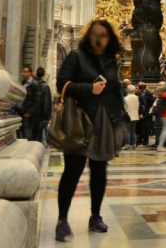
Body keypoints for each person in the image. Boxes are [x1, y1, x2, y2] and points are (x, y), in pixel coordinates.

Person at [54, 19, 127, 241]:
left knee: (99, 171)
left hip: (105, 121)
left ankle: (95, 216)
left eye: (104, 35)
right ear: (89, 36)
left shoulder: (111, 61)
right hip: (81, 120)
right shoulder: (76, 56)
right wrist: (89, 89)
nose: (99, 39)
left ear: (109, 38)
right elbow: (62, 84)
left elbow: (115, 92)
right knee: (72, 171)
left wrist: (119, 119)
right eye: (96, 34)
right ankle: (62, 220)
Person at [19, 66, 42, 141]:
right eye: (22, 72)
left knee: (28, 133)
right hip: (22, 111)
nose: (23, 73)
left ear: (30, 73)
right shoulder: (23, 83)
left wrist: (30, 112)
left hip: (29, 114)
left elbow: (37, 101)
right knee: (23, 132)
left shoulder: (35, 84)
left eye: (25, 72)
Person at [35, 67, 53, 143]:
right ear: (44, 74)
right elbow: (47, 102)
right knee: (39, 136)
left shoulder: (32, 84)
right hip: (41, 115)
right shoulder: (46, 86)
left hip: (32, 115)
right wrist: (48, 116)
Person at [137, 83, 154, 148]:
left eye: (138, 87)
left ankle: (145, 141)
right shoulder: (142, 94)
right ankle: (142, 141)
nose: (137, 89)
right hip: (144, 113)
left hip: (146, 113)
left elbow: (145, 105)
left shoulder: (146, 94)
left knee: (146, 128)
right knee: (142, 128)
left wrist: (143, 114)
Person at [124, 85, 140, 150]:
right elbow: (138, 106)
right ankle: (134, 144)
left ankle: (127, 145)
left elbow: (125, 107)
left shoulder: (125, 98)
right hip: (135, 115)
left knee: (127, 130)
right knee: (133, 131)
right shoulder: (137, 97)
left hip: (128, 115)